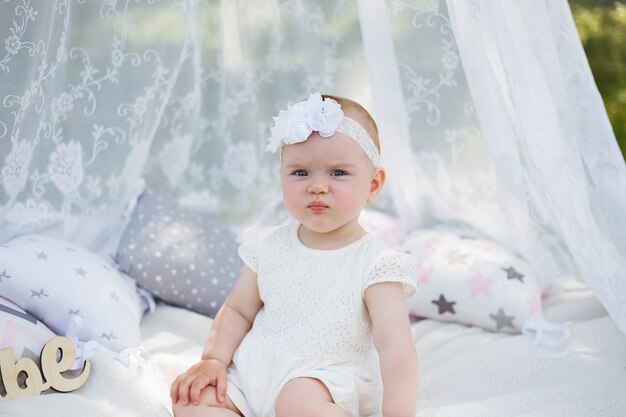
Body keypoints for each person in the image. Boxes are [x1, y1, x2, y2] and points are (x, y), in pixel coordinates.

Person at [170, 92, 418, 417]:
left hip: (324, 381)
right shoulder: (267, 245)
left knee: (297, 403)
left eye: (338, 173)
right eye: (300, 172)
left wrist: (399, 413)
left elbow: (394, 344)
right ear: (281, 176)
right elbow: (237, 310)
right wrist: (213, 360)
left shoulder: (375, 262)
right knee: (190, 398)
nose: (317, 186)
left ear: (373, 185)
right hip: (255, 372)